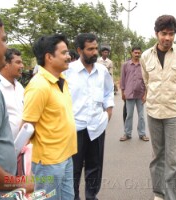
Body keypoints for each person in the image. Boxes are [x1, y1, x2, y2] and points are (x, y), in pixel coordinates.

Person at [140, 15, 176, 200]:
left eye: (171, 34)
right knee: (157, 158)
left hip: (175, 114)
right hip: (153, 112)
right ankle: (159, 194)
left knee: (173, 162)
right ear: (156, 33)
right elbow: (147, 82)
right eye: (164, 33)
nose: (167, 38)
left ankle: (173, 197)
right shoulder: (146, 56)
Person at [22, 34, 77, 199]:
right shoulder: (39, 86)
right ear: (49, 57)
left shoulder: (61, 80)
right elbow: (27, 127)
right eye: (64, 53)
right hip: (48, 162)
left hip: (66, 155)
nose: (69, 57)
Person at [65, 33, 114, 200]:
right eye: (90, 49)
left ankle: (91, 196)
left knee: (95, 167)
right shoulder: (68, 71)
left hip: (97, 126)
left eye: (96, 48)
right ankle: (74, 197)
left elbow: (109, 92)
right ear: (79, 50)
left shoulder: (102, 71)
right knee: (74, 168)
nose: (95, 52)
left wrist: (108, 112)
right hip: (74, 129)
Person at [0, 16, 33, 196]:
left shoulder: (20, 87)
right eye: (3, 40)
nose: (22, 66)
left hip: (17, 155)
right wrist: (17, 183)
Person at [119, 46, 149, 142]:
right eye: (135, 52)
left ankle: (142, 134)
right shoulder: (125, 65)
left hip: (140, 94)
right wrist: (122, 92)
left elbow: (146, 80)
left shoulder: (144, 65)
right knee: (129, 115)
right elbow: (122, 80)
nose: (137, 54)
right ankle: (127, 134)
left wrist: (145, 94)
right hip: (129, 94)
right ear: (131, 53)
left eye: (138, 53)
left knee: (141, 116)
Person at [0, 48, 24, 139]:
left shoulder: (19, 87)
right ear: (6, 64)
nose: (22, 66)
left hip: (22, 144)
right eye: (18, 62)